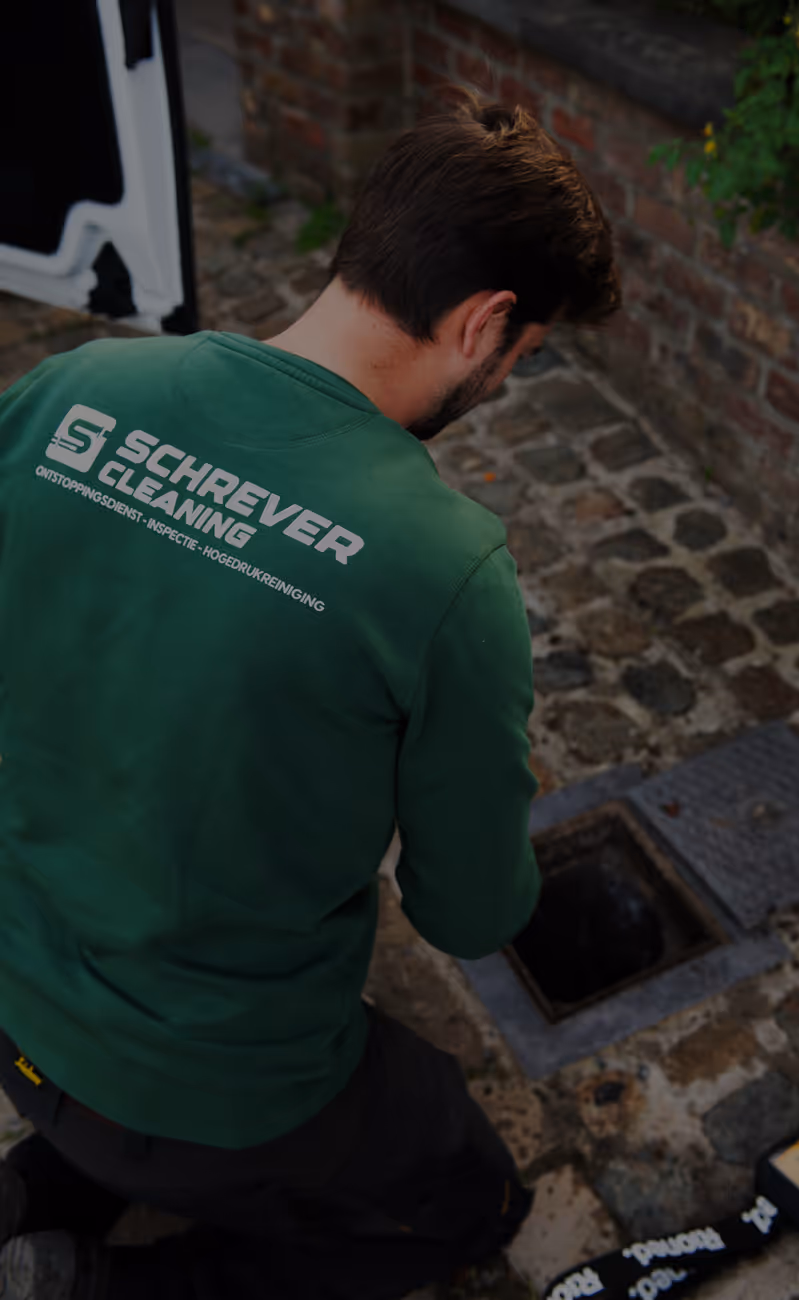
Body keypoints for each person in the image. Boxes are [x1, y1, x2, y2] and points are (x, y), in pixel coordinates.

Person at [0, 86, 621, 1300]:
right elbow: (465, 910)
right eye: (522, 360)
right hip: (218, 1081)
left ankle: (44, 1182)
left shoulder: (67, 393)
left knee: (116, 1118)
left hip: (19, 989)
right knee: (468, 1201)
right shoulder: (446, 569)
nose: (502, 383)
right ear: (486, 324)